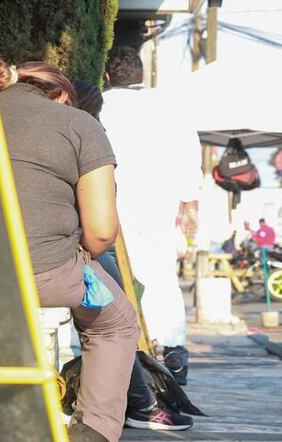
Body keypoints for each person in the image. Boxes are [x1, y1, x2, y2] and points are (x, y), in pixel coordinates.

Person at [0, 57, 139, 442]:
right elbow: (101, 230)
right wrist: (81, 257)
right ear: (59, 94)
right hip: (44, 274)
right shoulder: (78, 124)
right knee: (117, 324)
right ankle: (89, 441)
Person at [72, 79, 193, 431]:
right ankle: (140, 406)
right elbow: (99, 232)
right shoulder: (86, 136)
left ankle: (128, 404)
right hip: (71, 251)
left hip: (52, 249)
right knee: (121, 322)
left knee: (116, 309)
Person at [100, 45, 200, 389]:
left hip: (111, 200)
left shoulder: (100, 105)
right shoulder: (170, 105)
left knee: (112, 278)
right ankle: (173, 352)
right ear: (141, 75)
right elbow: (190, 155)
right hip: (159, 202)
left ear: (108, 75)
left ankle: (123, 353)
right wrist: (189, 204)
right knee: (161, 276)